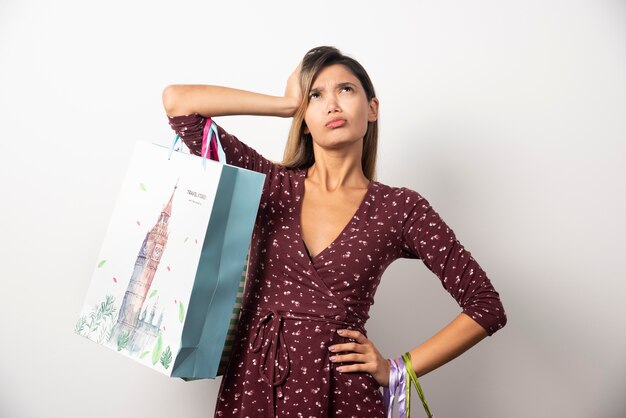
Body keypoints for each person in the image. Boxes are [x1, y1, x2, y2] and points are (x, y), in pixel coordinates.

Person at [163, 46, 507, 417]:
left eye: (345, 89)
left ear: (372, 108)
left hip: (342, 397)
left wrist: (397, 369)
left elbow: (486, 305)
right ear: (304, 119)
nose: (332, 104)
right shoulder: (271, 186)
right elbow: (178, 103)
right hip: (254, 387)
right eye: (316, 94)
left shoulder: (400, 208)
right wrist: (285, 103)